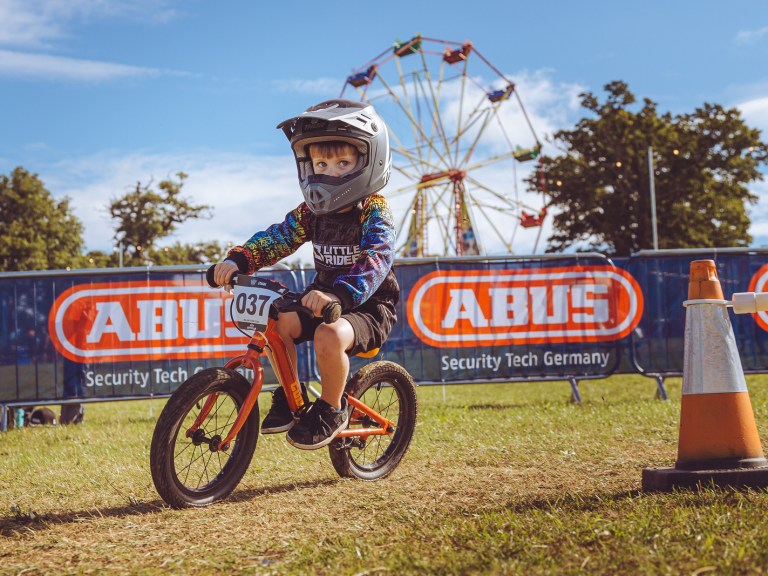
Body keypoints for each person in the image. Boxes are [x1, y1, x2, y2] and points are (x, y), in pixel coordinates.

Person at [212, 99, 399, 450]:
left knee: (329, 336)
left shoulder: (373, 209)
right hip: (321, 299)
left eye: (342, 162)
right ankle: (288, 395)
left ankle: (332, 408)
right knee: (279, 323)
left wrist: (341, 295)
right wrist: (240, 260)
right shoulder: (311, 212)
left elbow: (378, 256)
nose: (329, 171)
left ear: (369, 160)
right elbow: (278, 238)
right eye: (320, 163)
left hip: (367, 307)